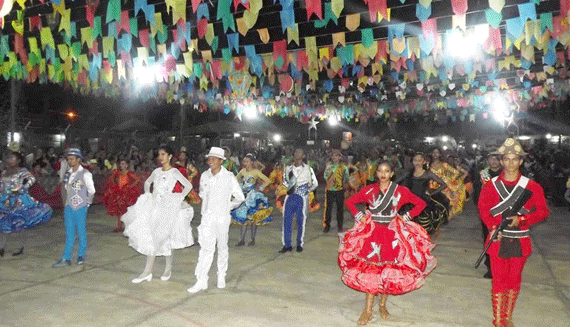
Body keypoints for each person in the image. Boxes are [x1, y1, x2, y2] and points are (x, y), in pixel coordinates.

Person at [340, 161, 435, 325]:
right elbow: (350, 202)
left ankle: (382, 305)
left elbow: (420, 203)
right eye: (380, 171)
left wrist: (405, 217)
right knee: (372, 269)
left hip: (392, 234)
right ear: (376, 173)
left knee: (389, 269)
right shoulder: (369, 190)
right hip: (373, 234)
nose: (383, 174)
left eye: (387, 171)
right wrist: (359, 215)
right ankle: (368, 310)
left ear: (392, 174)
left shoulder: (400, 191)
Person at [478, 138, 549, 327]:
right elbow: (484, 209)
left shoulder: (532, 186)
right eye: (506, 159)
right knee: (498, 281)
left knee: (514, 280)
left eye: (514, 159)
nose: (510, 163)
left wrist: (522, 220)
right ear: (501, 161)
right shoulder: (490, 185)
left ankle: (507, 317)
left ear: (521, 161)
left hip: (520, 239)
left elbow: (542, 211)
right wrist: (493, 226)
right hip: (498, 239)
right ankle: (497, 319)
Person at [121, 146, 193, 283]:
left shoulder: (174, 172)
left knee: (165, 238)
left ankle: (167, 269)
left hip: (167, 208)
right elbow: (148, 182)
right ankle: (147, 272)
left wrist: (178, 198)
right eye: (159, 154)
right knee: (152, 237)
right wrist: (148, 194)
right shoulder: (156, 171)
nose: (161, 157)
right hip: (154, 208)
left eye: (163, 154)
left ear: (170, 156)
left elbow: (188, 186)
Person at [188, 147, 244, 293]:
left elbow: (240, 197)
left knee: (222, 247)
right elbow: (202, 193)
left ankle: (221, 275)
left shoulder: (229, 177)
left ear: (221, 161)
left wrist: (227, 207)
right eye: (209, 159)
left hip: (222, 218)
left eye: (214, 159)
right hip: (207, 217)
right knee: (206, 248)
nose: (210, 161)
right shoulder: (205, 176)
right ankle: (201, 279)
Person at [0, 152, 53, 257]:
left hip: (18, 200)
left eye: (12, 158)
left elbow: (32, 179)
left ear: (18, 160)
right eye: (9, 158)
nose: (9, 160)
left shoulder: (22, 171)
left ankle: (20, 247)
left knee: (20, 224)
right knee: (4, 223)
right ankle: (1, 247)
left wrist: (22, 188)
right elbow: (1, 184)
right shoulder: (5, 172)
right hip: (6, 199)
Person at [52, 148, 96, 267]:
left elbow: (91, 191)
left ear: (78, 159)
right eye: (68, 159)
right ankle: (66, 258)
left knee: (81, 232)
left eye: (72, 159)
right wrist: (67, 203)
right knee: (70, 234)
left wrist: (87, 204)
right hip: (69, 207)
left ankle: (81, 255)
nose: (70, 161)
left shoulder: (86, 173)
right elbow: (66, 189)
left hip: (81, 207)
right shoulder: (68, 173)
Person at [398, 152, 449, 237]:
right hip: (410, 200)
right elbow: (396, 182)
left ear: (424, 162)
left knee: (422, 224)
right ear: (412, 161)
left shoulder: (427, 173)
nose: (417, 163)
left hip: (423, 201)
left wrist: (432, 193)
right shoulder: (409, 173)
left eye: (419, 160)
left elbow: (444, 185)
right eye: (415, 160)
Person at [278, 148, 318, 253]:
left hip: (302, 198)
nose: (296, 154)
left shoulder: (308, 169)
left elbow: (315, 183)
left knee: (301, 221)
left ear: (304, 156)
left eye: (299, 152)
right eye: (295, 152)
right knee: (286, 220)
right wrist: (290, 187)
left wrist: (306, 190)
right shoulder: (288, 168)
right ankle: (287, 245)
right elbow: (285, 181)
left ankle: (299, 243)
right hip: (290, 196)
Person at [231, 153, 273, 246]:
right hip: (244, 195)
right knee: (243, 217)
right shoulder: (242, 171)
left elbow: (268, 180)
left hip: (253, 196)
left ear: (252, 163)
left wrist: (261, 187)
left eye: (247, 161)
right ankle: (241, 239)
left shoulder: (256, 172)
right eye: (244, 161)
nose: (245, 163)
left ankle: (252, 239)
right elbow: (235, 180)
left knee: (253, 218)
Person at [473, 153, 503, 279]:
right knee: (489, 238)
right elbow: (479, 192)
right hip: (489, 212)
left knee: (505, 240)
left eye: (497, 159)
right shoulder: (484, 174)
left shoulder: (507, 172)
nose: (494, 161)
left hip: (504, 211)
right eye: (491, 158)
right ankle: (491, 267)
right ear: (487, 160)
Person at [103, 158, 143, 232]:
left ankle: (127, 227)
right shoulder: (118, 172)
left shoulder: (129, 173)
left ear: (127, 165)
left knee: (126, 211)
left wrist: (130, 186)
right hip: (120, 193)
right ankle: (119, 227)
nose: (121, 165)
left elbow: (138, 179)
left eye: (123, 164)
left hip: (126, 194)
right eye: (121, 164)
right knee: (119, 211)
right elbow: (113, 178)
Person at [429, 147, 468, 220]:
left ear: (440, 154)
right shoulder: (427, 165)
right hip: (431, 186)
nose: (435, 154)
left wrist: (448, 179)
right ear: (431, 154)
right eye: (433, 152)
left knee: (444, 204)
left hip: (443, 187)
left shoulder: (444, 165)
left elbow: (456, 172)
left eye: (437, 152)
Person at [322, 149, 349, 233]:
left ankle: (340, 226)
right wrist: (330, 179)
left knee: (340, 209)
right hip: (330, 189)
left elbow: (347, 177)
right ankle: (327, 225)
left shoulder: (344, 166)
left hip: (340, 190)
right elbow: (325, 176)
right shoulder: (329, 165)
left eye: (336, 155)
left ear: (340, 157)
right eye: (333, 155)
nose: (334, 157)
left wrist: (343, 185)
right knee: (328, 209)